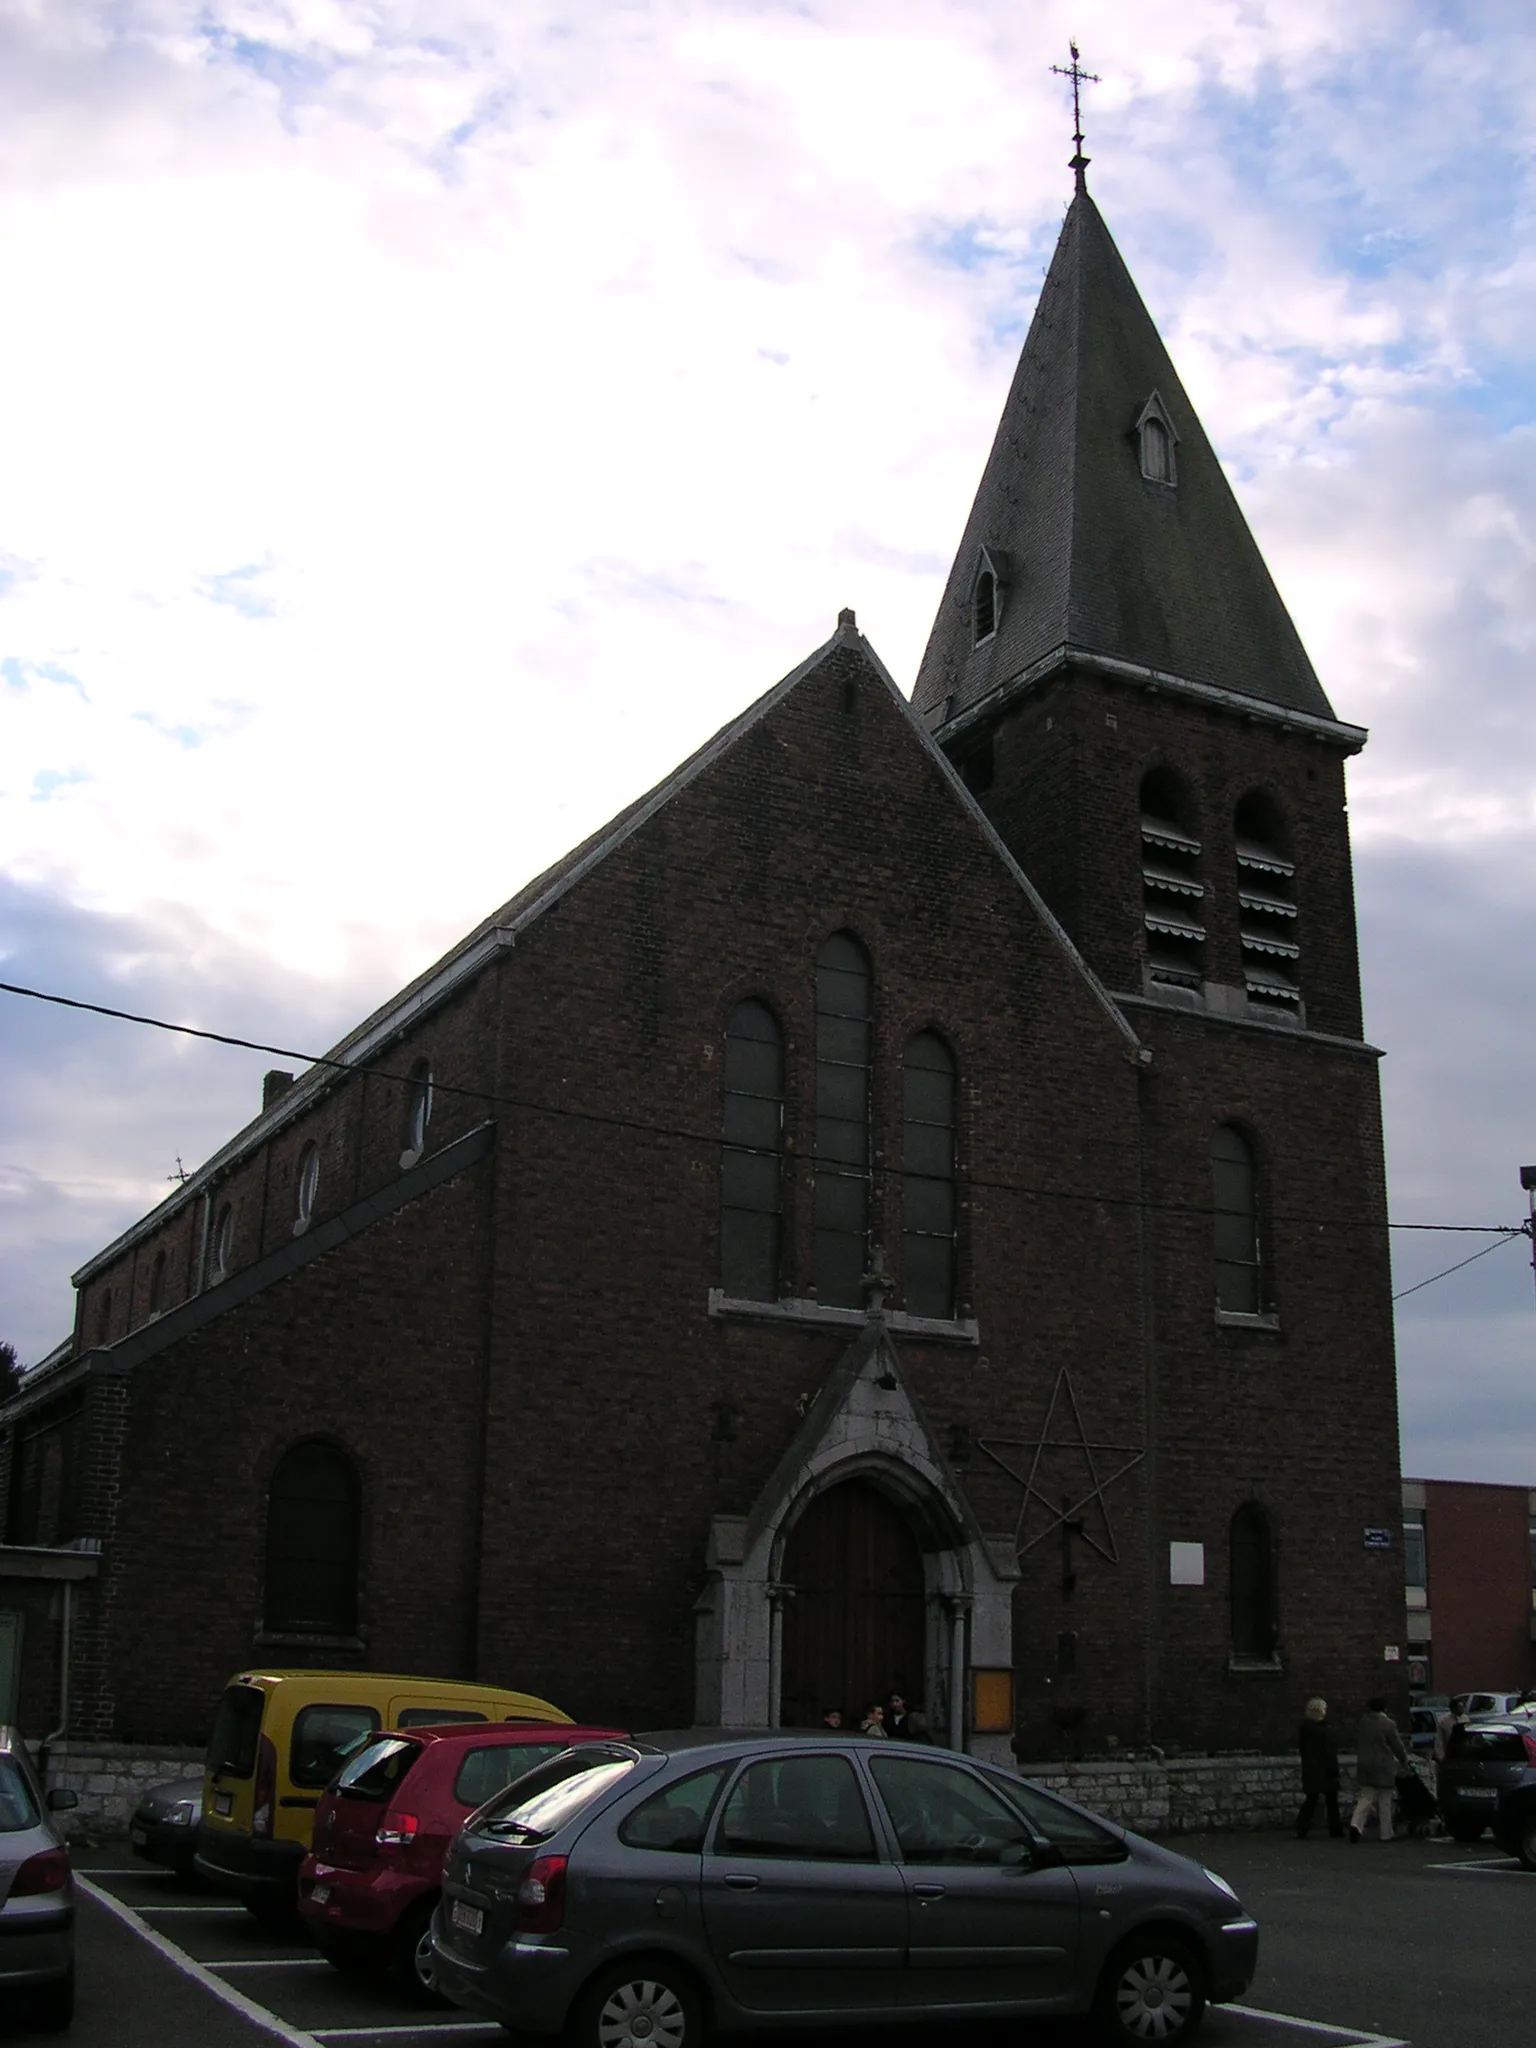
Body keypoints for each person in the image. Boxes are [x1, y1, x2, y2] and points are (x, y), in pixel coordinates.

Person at [1350, 1696, 1410, 1842]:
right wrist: (1404, 1759)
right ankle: (1386, 1833)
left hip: (1364, 1763)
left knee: (1366, 1796)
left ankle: (1356, 1824)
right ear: (1384, 1708)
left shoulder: (1363, 1722)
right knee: (1385, 1799)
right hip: (1383, 1765)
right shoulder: (1388, 1724)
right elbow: (1396, 1745)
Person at [1295, 1697, 1343, 1839]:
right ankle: (1335, 1829)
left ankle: (1302, 1828)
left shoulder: (1305, 1729)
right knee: (1331, 1801)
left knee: (1311, 1800)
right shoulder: (1324, 1730)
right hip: (1326, 1769)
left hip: (1311, 1769)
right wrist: (1334, 1770)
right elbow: (1329, 1753)